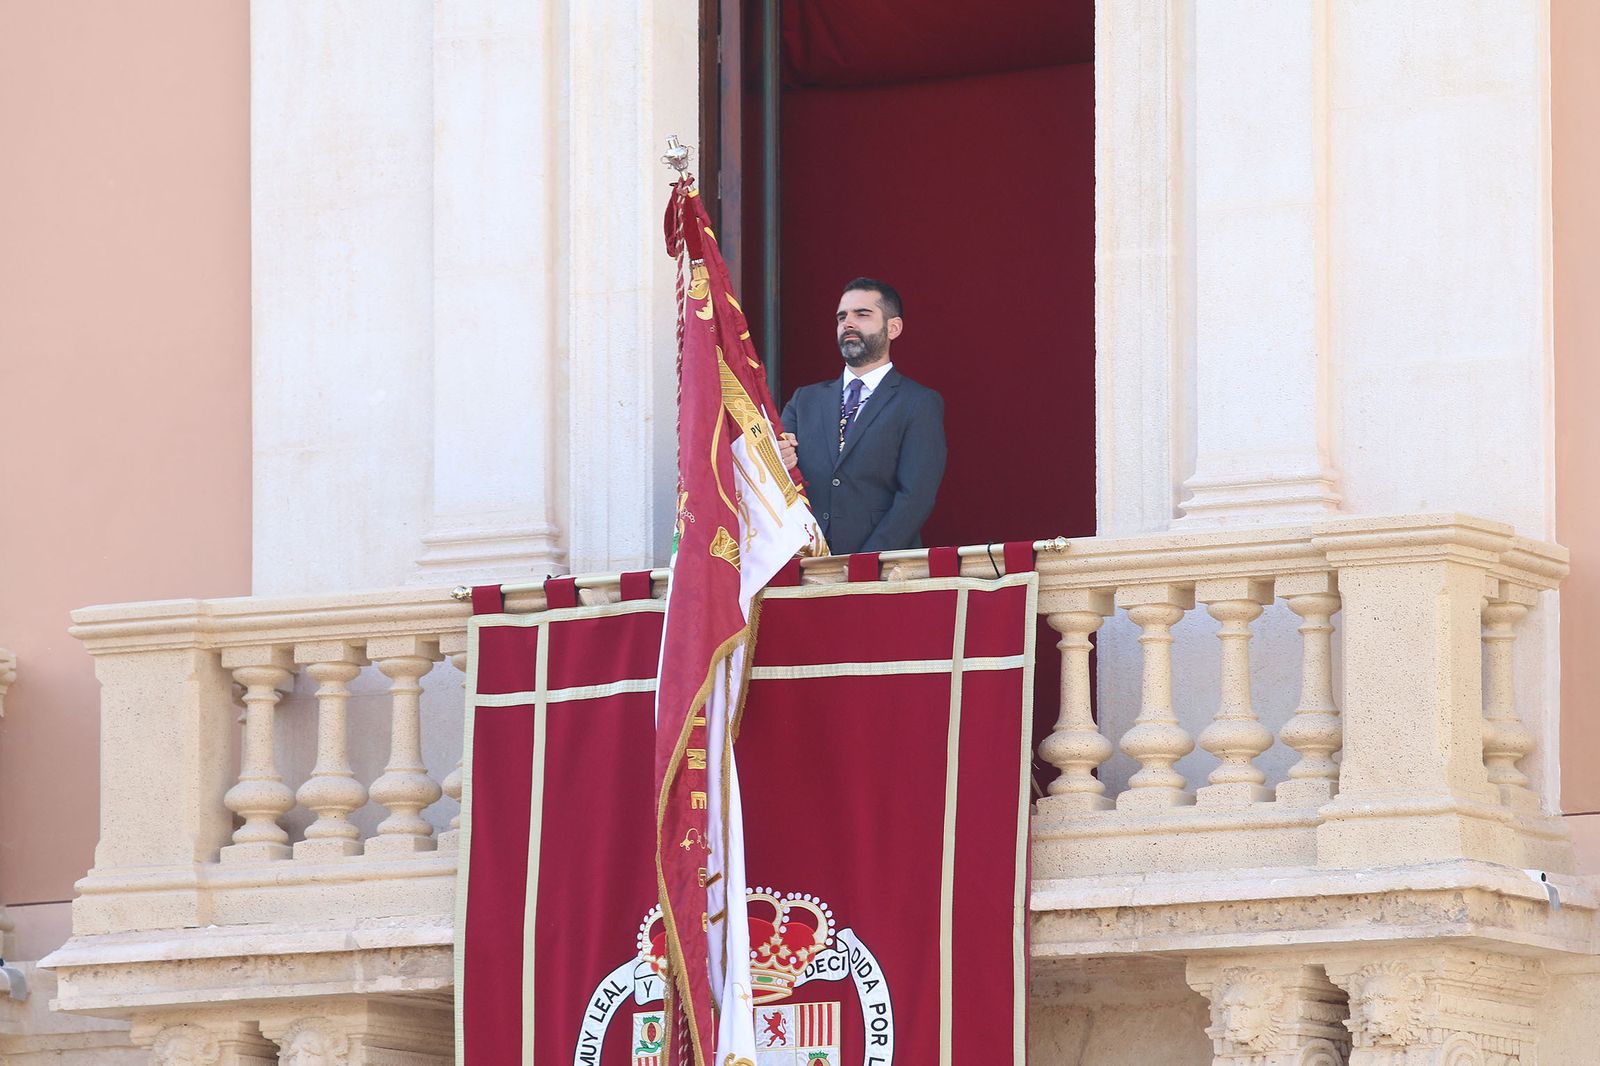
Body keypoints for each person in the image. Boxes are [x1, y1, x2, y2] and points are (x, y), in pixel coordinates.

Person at [777, 278, 946, 555]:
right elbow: (775, 475)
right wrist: (777, 457)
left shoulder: (918, 402)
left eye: (862, 314)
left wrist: (866, 563)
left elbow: (915, 497)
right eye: (842, 317)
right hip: (803, 563)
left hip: (882, 570)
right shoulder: (804, 400)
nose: (848, 323)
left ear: (893, 327)